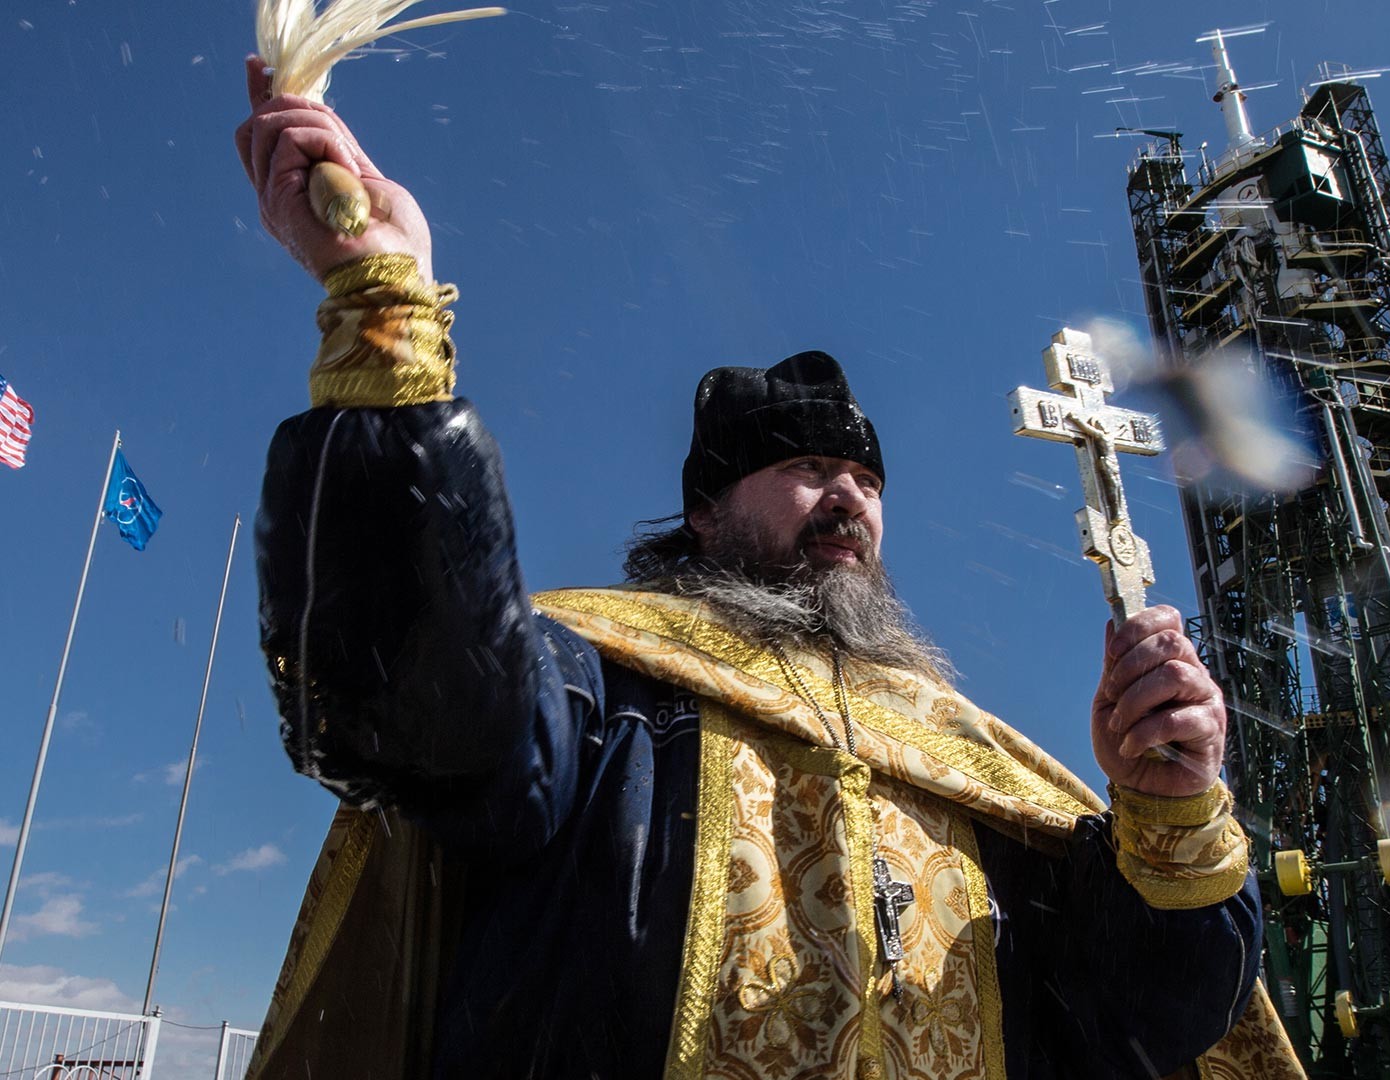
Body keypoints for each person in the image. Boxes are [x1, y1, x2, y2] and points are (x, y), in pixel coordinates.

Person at [235, 57, 1304, 1080]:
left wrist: (1169, 815)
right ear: (704, 513)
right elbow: (421, 702)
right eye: (804, 467)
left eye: (865, 480)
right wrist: (385, 311)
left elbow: (1134, 1025)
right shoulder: (601, 690)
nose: (847, 497)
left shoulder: (968, 757)